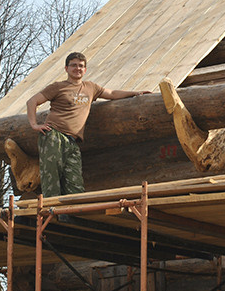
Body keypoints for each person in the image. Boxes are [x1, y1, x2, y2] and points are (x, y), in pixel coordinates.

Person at [26, 52, 148, 197]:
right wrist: (34, 124)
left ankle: (72, 214)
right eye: (74, 65)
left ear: (85, 70)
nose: (77, 68)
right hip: (54, 135)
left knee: (75, 182)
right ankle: (51, 213)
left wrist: (136, 93)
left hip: (73, 141)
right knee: (52, 176)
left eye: (81, 66)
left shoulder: (90, 87)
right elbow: (32, 101)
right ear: (66, 68)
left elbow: (112, 93)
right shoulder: (58, 87)